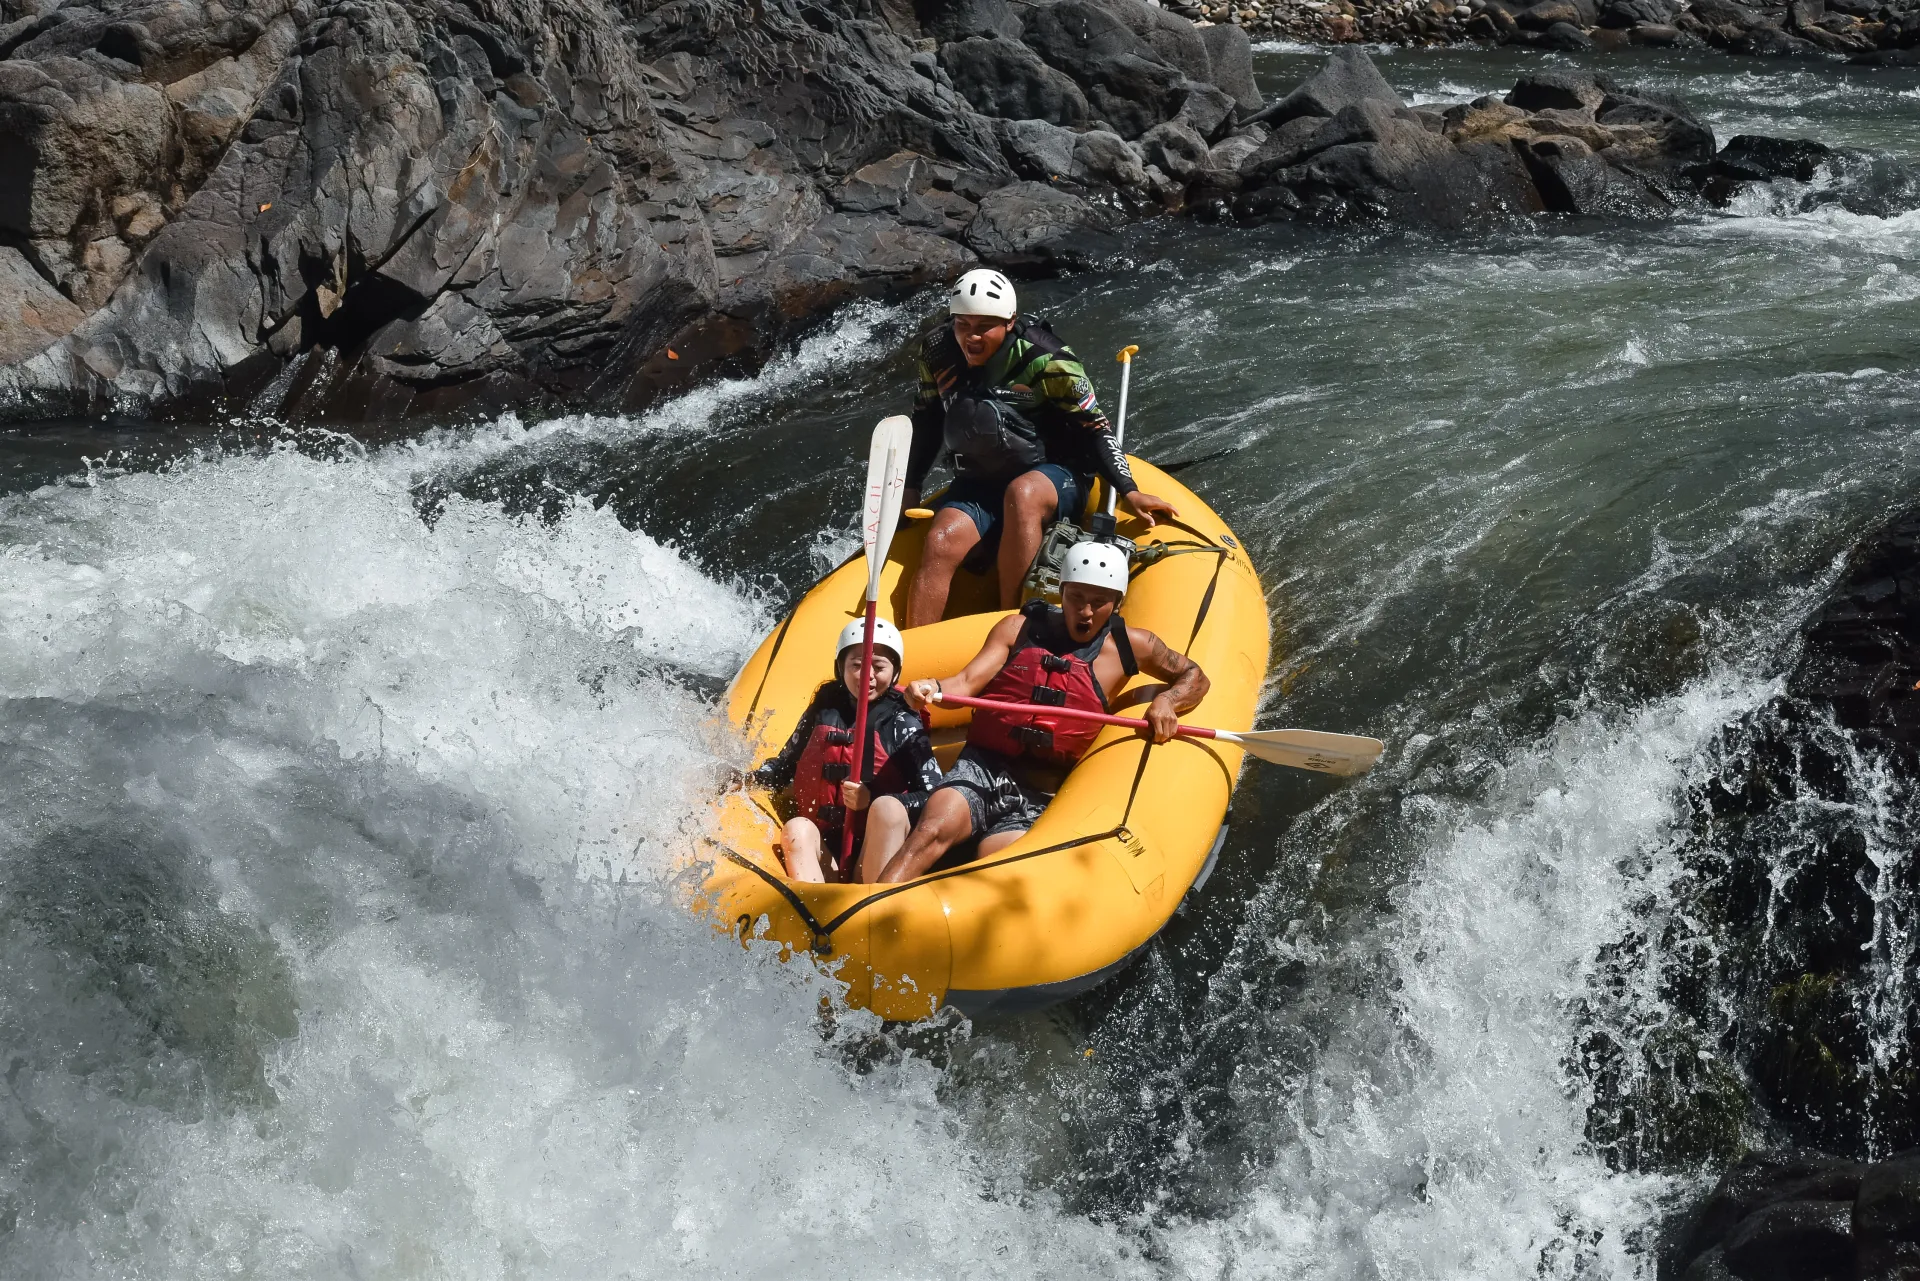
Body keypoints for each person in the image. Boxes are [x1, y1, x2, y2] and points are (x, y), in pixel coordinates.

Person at [878, 542, 1209, 883]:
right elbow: (965, 682)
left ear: (1117, 602)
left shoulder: (1133, 646)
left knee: (995, 863)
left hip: (1043, 791)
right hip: (983, 766)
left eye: (1099, 602)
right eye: (1077, 598)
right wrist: (932, 686)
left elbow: (1195, 676)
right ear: (1061, 591)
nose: (1086, 612)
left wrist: (1168, 701)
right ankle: (871, 911)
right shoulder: (1016, 629)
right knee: (933, 828)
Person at [901, 268, 1182, 627]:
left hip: (1055, 474)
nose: (971, 336)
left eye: (984, 325)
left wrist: (1130, 490)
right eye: (963, 324)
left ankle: (1011, 627)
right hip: (980, 480)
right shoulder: (937, 350)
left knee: (1023, 493)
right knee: (941, 538)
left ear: (1009, 321)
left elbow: (1095, 429)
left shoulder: (1048, 358)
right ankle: (912, 657)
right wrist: (909, 490)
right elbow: (926, 421)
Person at [744, 619, 943, 884]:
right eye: (857, 665)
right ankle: (814, 911)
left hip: (878, 854)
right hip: (828, 853)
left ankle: (874, 905)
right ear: (841, 668)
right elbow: (784, 765)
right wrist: (747, 780)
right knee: (797, 829)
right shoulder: (824, 708)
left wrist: (870, 801)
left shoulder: (903, 720)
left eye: (879, 666)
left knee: (887, 810)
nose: (867, 675)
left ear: (895, 673)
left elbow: (935, 796)